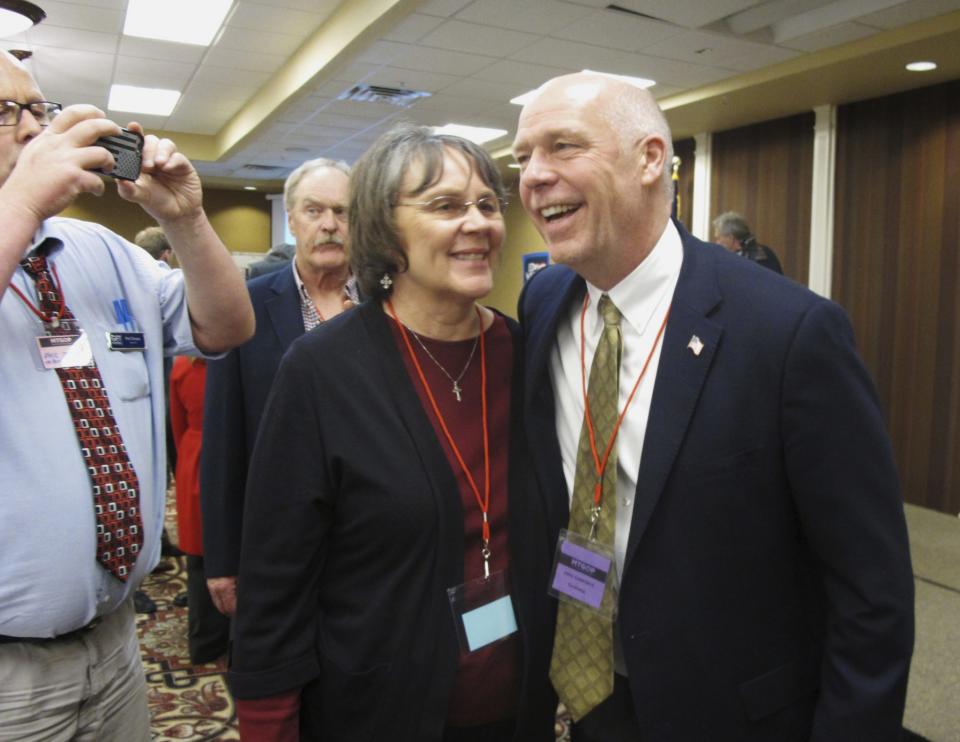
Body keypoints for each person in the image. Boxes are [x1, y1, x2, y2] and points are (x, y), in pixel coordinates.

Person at [513, 72, 914, 741]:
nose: (534, 176)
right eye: (523, 156)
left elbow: (871, 592)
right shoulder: (544, 304)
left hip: (731, 711)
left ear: (649, 159)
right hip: (586, 698)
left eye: (562, 146)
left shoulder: (788, 332)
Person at [228, 123, 556, 741]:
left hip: (517, 705)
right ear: (384, 227)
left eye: (487, 204)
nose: (479, 223)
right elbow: (277, 571)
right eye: (445, 206)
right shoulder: (322, 369)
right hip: (378, 707)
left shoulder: (525, 351)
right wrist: (269, 718)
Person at [0, 51, 254, 740]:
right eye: (5, 112)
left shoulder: (101, 250)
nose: (32, 131)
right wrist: (20, 202)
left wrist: (186, 220)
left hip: (117, 639)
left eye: (38, 110)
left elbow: (229, 328)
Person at [200, 157, 354, 620]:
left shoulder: (391, 302)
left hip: (371, 536)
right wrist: (223, 560)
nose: (329, 224)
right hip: (275, 536)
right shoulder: (244, 304)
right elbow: (223, 437)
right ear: (291, 220)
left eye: (343, 212)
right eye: (314, 211)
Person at [169, 355, 229, 664]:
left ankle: (204, 641)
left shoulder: (180, 366)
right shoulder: (238, 362)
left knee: (199, 559)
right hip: (223, 458)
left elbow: (176, 428)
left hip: (194, 458)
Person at [712, 211, 783, 274]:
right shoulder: (737, 255)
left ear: (730, 238)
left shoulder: (760, 257)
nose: (717, 243)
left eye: (718, 238)